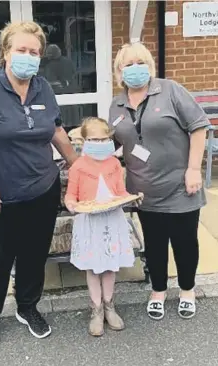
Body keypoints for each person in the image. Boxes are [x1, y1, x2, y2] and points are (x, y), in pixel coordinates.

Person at [0, 21, 77, 351]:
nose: (28, 57)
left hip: (42, 190)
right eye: (21, 50)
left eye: (34, 52)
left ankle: (27, 307)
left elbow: (56, 132)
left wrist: (77, 166)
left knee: (34, 255)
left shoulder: (43, 88)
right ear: (6, 53)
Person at [108, 43, 210, 321]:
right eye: (128, 64)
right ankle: (158, 291)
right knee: (153, 244)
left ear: (150, 66)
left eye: (140, 62)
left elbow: (199, 127)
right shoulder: (116, 105)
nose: (134, 68)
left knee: (185, 242)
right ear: (119, 71)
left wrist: (193, 169)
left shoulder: (170, 90)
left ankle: (187, 290)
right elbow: (121, 143)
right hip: (143, 191)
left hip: (180, 186)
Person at [64, 117, 142, 337]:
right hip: (89, 221)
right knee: (93, 266)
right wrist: (71, 203)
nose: (99, 143)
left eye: (103, 139)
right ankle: (96, 309)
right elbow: (72, 194)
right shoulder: (78, 166)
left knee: (110, 265)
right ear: (85, 140)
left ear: (109, 139)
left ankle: (109, 305)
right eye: (94, 140)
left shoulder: (114, 163)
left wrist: (132, 197)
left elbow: (120, 191)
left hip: (111, 220)